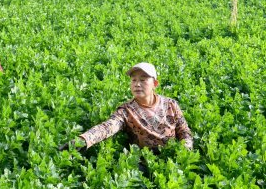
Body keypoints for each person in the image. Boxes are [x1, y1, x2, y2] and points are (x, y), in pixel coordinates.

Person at [59, 62, 193, 153]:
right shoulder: (126, 111)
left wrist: (184, 150)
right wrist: (83, 140)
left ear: (155, 83)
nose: (137, 84)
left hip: (172, 158)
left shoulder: (170, 104)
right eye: (133, 80)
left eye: (143, 80)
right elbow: (107, 127)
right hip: (144, 163)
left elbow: (184, 131)